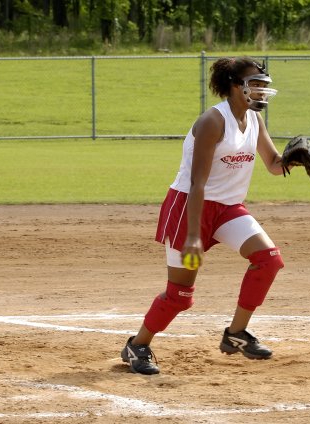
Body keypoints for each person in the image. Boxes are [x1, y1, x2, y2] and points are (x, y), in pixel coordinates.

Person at [121, 56, 291, 375]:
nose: (260, 90)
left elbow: (273, 164)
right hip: (189, 208)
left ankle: (236, 334)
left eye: (262, 85)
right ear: (234, 86)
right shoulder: (213, 121)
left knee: (269, 259)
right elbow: (197, 183)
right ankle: (138, 345)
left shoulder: (254, 119)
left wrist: (292, 160)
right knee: (180, 296)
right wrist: (193, 236)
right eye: (254, 84)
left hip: (228, 209)